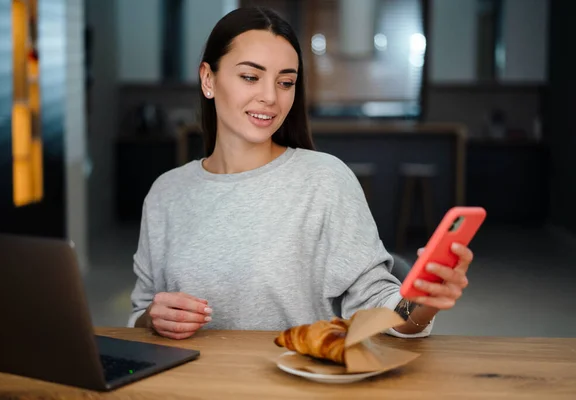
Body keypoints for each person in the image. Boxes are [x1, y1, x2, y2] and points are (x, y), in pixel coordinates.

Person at [128, 6, 474, 340]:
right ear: (208, 79)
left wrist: (423, 303)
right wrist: (154, 319)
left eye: (286, 82)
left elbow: (380, 310)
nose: (270, 97)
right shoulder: (166, 193)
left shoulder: (325, 181)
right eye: (251, 77)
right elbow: (140, 317)